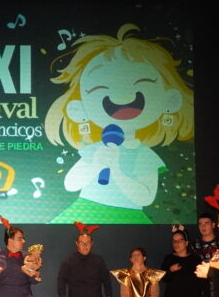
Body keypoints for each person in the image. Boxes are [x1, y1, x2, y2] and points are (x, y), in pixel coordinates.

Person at [44, 24, 196, 224]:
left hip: (128, 216)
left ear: (169, 100)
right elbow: (70, 184)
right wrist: (96, 164)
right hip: (85, 213)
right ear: (80, 107)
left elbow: (145, 197)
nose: (121, 97)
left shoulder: (144, 155)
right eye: (101, 89)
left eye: (141, 86)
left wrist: (116, 169)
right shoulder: (96, 149)